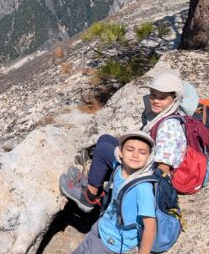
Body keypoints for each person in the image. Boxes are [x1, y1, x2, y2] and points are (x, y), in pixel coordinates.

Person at [23, 131, 158, 254]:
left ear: (149, 157)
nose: (136, 155)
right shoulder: (120, 171)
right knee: (81, 250)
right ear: (121, 153)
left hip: (114, 240)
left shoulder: (143, 188)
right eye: (130, 149)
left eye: (142, 152)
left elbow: (150, 227)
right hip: (104, 225)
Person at [60, 71, 190, 212]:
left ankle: (89, 196)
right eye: (153, 95)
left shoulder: (168, 126)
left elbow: (163, 169)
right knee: (105, 139)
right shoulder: (169, 115)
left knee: (103, 149)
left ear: (174, 99)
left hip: (146, 174)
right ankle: (94, 181)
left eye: (162, 97)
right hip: (145, 162)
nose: (156, 101)